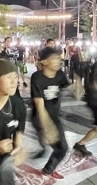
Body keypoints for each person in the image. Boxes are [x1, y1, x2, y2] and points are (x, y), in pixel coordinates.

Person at [30, 46, 70, 177]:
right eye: (54, 58)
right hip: (39, 117)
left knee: (62, 148)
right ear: (44, 62)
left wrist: (79, 88)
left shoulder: (60, 74)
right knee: (58, 146)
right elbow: (39, 106)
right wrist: (48, 128)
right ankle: (42, 143)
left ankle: (47, 169)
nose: (58, 61)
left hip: (54, 115)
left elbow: (69, 88)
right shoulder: (37, 78)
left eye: (59, 58)